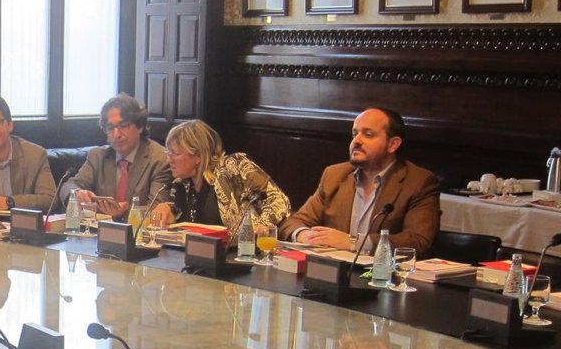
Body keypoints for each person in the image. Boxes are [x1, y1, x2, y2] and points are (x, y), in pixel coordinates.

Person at [279, 107, 440, 257]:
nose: (356, 141)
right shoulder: (335, 175)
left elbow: (418, 241)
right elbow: (293, 222)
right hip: (333, 271)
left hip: (384, 273)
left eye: (368, 134)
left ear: (393, 144)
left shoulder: (419, 182)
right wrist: (305, 235)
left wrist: (353, 242)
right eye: (354, 133)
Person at [150, 120, 290, 239]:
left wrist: (261, 225)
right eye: (168, 153)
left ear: (198, 156)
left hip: (243, 252)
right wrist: (168, 210)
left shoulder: (233, 167)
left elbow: (278, 200)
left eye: (175, 154)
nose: (168, 160)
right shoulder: (181, 184)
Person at [59, 94, 172, 220]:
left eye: (123, 126)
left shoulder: (160, 159)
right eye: (110, 128)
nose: (116, 134)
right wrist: (77, 193)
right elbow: (68, 186)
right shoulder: (98, 156)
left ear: (140, 126)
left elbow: (156, 210)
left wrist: (123, 213)